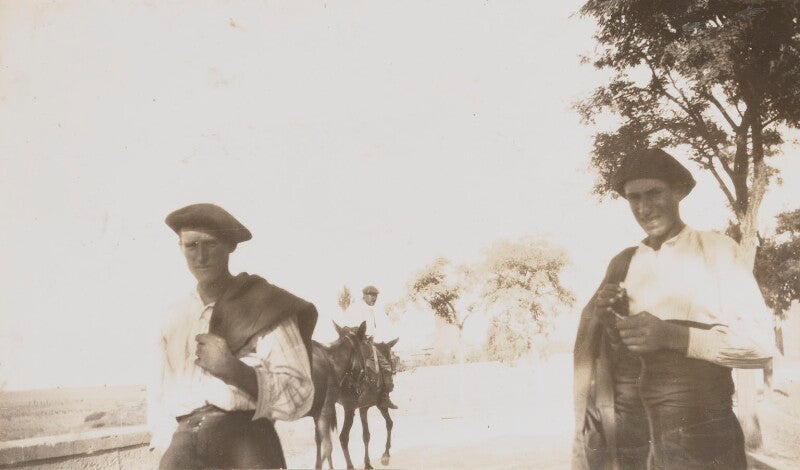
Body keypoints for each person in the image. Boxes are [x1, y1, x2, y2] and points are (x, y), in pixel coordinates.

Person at [572, 149, 775, 470]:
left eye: (654, 193)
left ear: (679, 190)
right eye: (633, 198)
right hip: (636, 450)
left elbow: (761, 348)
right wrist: (609, 323)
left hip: (706, 448)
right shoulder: (624, 263)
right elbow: (609, 363)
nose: (644, 207)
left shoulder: (716, 250)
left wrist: (675, 336)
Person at [148, 203, 318, 469]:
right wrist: (166, 448)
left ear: (230, 246)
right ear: (180, 247)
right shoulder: (172, 316)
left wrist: (233, 369)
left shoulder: (264, 305)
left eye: (210, 244)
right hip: (183, 448)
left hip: (245, 442)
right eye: (191, 245)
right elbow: (158, 398)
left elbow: (300, 394)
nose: (201, 256)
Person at [342, 285, 398, 409]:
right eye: (372, 295)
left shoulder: (368, 309)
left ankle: (382, 396)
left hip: (368, 342)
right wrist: (356, 333)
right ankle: (384, 398)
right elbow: (345, 326)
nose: (374, 298)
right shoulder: (355, 307)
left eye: (376, 296)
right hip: (359, 342)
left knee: (381, 367)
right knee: (386, 367)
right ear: (364, 295)